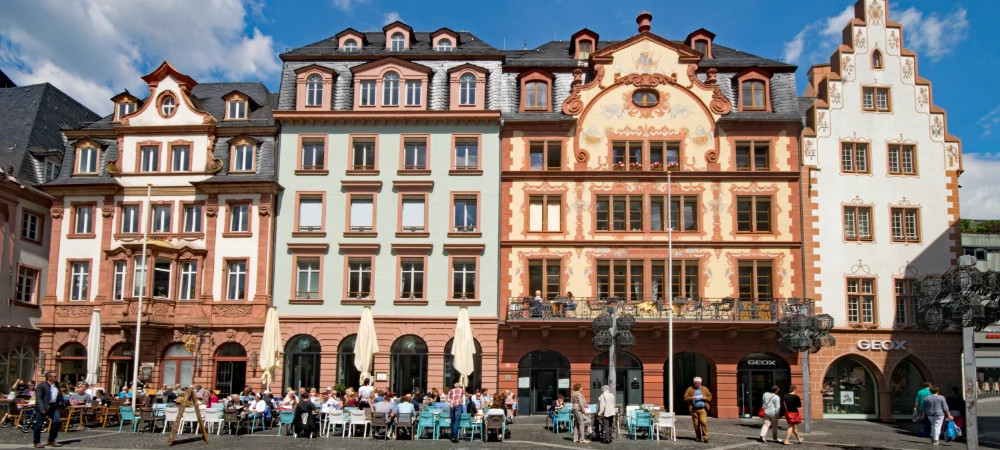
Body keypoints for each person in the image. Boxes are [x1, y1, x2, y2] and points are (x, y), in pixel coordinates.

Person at [33, 371, 63, 448]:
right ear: (49, 377)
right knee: (39, 424)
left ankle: (51, 440)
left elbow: (59, 395)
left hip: (53, 406)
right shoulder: (41, 386)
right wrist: (42, 408)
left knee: (57, 422)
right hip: (43, 406)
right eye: (55, 376)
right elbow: (39, 398)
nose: (56, 377)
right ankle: (37, 442)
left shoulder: (56, 385)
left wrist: (61, 402)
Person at [684, 376, 712, 443]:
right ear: (694, 383)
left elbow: (710, 397)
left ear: (701, 383)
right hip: (694, 409)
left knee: (703, 422)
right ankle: (698, 437)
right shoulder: (690, 389)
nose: (697, 384)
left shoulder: (704, 389)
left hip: (702, 409)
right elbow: (685, 397)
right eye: (696, 383)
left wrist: (705, 398)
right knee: (696, 424)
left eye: (698, 383)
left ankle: (705, 437)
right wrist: (691, 398)